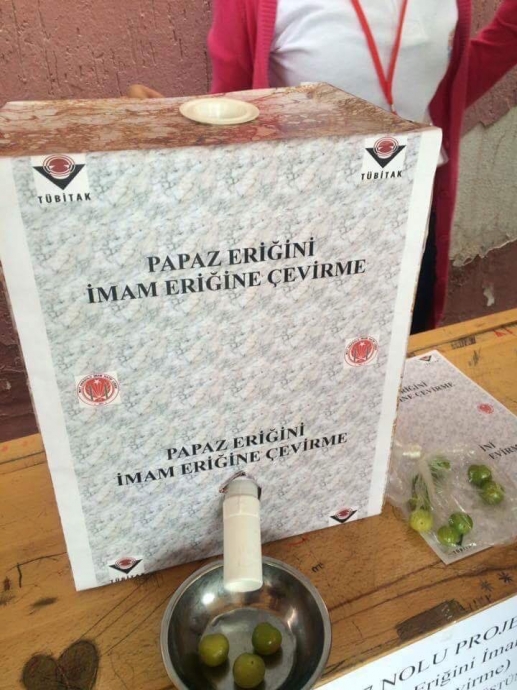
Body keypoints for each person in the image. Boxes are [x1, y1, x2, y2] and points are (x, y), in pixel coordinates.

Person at [128, 0, 517, 330]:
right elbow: (234, 124)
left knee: (404, 366)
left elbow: (444, 94)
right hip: (301, 239)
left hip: (409, 221)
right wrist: (175, 132)